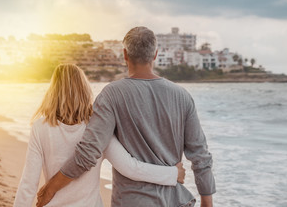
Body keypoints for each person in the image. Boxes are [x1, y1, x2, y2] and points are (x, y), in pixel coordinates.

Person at [37, 27, 216, 207]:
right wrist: (207, 201)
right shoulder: (182, 96)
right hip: (176, 201)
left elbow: (88, 153)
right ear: (155, 54)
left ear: (125, 55)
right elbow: (200, 155)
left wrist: (51, 187)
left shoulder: (111, 95)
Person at [13, 64, 186, 207]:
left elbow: (29, 183)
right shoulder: (98, 128)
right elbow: (130, 167)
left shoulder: (41, 127)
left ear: (53, 92)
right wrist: (172, 174)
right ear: (84, 90)